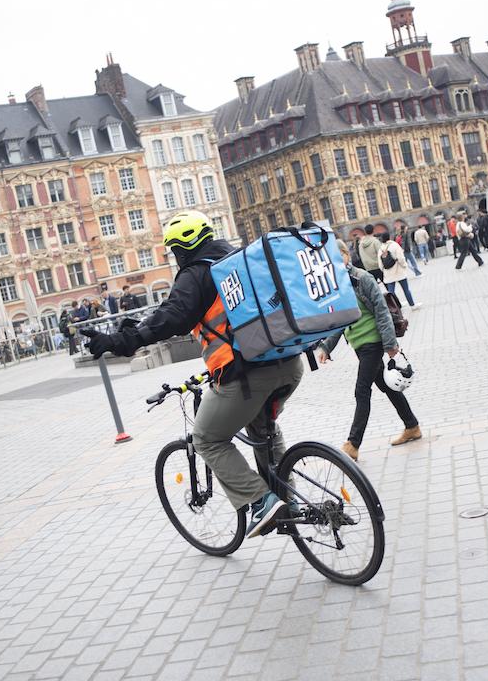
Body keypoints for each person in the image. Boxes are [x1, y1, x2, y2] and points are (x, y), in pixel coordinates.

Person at [81, 210, 297, 539]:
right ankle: (290, 502)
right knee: (264, 429)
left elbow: (173, 317)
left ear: (182, 248)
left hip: (247, 374)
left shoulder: (197, 273)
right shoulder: (239, 258)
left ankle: (262, 502)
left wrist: (122, 340)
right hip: (288, 361)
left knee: (207, 439)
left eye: (174, 251)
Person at [317, 241, 421, 461]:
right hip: (358, 344)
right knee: (386, 386)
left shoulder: (362, 278)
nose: (335, 264)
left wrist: (390, 345)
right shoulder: (337, 285)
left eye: (338, 257)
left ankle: (353, 444)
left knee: (361, 390)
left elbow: (382, 312)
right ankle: (412, 426)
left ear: (346, 255)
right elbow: (340, 320)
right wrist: (327, 346)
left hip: (372, 343)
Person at [379, 228, 420, 309]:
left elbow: (380, 264)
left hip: (388, 272)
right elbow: (401, 258)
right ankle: (412, 305)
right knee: (406, 290)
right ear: (389, 237)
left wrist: (383, 270)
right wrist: (404, 265)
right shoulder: (394, 245)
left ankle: (395, 308)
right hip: (399, 270)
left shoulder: (381, 249)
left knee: (391, 292)